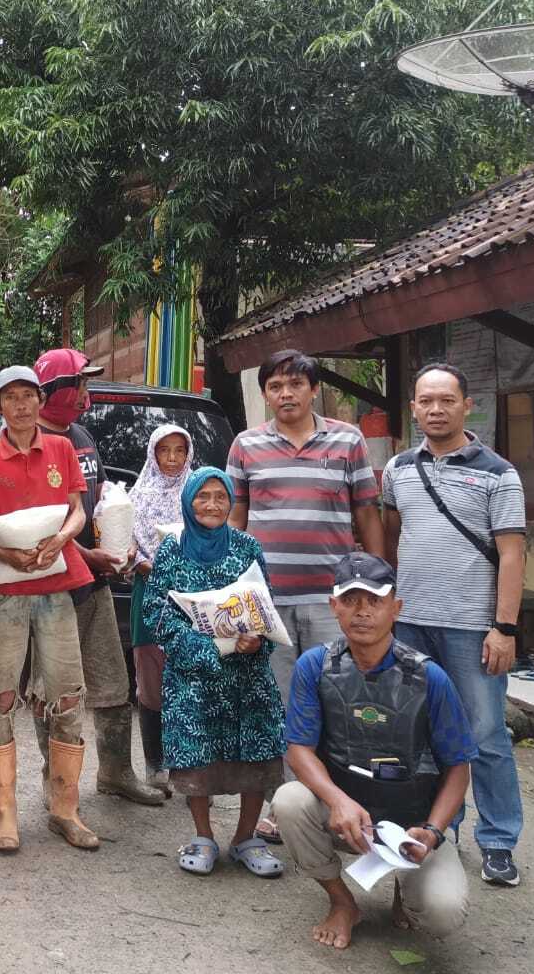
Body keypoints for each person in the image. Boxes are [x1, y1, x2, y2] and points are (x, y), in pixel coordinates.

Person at [274, 553, 476, 949]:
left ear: (396, 608)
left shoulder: (429, 677)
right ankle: (342, 902)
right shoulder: (315, 666)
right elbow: (299, 750)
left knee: (443, 913)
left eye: (374, 600)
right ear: (334, 607)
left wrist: (432, 833)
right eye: (350, 600)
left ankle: (406, 888)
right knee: (289, 801)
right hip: (345, 817)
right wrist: (337, 801)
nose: (361, 612)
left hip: (412, 823)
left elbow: (458, 768)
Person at [226, 348, 383, 842]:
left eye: (295, 384)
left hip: (328, 600)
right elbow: (236, 519)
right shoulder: (246, 445)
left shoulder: (347, 439)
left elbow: (367, 515)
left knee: (333, 700)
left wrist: (378, 582)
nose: (286, 394)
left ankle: (342, 803)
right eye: (275, 386)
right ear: (265, 393)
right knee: (280, 704)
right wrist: (236, 589)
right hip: (268, 600)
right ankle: (285, 806)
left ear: (313, 389)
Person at [383, 362, 528, 888]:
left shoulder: (498, 472)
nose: (436, 409)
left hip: (472, 628)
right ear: (414, 407)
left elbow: (512, 555)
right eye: (426, 400)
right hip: (412, 625)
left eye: (446, 399)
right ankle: (441, 832)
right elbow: (395, 538)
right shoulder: (398, 468)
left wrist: (504, 628)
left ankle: (499, 840)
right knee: (423, 736)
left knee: (486, 734)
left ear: (467, 405)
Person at [0, 365, 98, 852]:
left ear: (41, 402)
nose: (21, 405)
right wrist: (4, 552)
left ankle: (65, 808)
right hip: (6, 592)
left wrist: (61, 538)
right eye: (11, 398)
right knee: (0, 697)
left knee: (66, 695)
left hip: (58, 585)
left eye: (29, 396)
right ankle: (5, 814)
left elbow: (79, 509)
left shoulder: (61, 448)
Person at [31, 348, 164, 806]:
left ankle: (116, 772)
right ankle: (56, 780)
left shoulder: (82, 436)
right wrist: (89, 555)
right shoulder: (32, 442)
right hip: (50, 587)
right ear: (57, 391)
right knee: (52, 688)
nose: (87, 393)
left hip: (96, 584)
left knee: (112, 681)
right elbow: (37, 523)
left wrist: (120, 542)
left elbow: (106, 497)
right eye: (80, 384)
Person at [141, 467, 286, 878]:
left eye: (220, 497)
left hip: (247, 674)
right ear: (188, 502)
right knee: (196, 756)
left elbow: (265, 605)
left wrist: (257, 639)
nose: (212, 504)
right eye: (202, 496)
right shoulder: (171, 550)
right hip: (194, 677)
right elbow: (158, 613)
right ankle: (203, 836)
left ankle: (245, 839)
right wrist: (208, 649)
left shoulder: (247, 547)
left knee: (255, 752)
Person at [127, 424, 194, 795]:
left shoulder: (198, 494)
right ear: (153, 454)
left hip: (191, 597)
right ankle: (155, 763)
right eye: (164, 450)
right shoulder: (138, 496)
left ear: (188, 455)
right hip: (149, 594)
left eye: (178, 451)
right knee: (151, 682)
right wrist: (142, 563)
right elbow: (126, 545)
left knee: (189, 679)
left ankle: (188, 763)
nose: (171, 458)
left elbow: (213, 537)